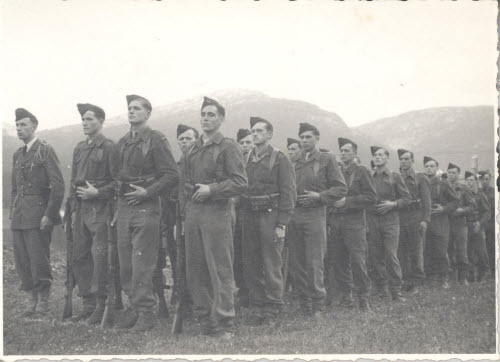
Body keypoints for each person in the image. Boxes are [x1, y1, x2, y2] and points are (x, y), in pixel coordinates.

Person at [182, 96, 247, 340]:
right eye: (203, 114)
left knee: (220, 269)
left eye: (211, 115)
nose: (206, 118)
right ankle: (205, 320)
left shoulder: (228, 146)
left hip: (217, 213)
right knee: (196, 269)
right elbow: (185, 183)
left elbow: (240, 182)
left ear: (221, 119)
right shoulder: (193, 148)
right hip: (194, 213)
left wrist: (212, 190)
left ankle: (224, 323)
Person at [115, 94, 179, 332]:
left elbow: (172, 175)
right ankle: (136, 306)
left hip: (146, 207)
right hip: (124, 208)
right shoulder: (122, 142)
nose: (131, 111)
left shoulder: (156, 139)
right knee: (125, 264)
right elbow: (116, 175)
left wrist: (148, 192)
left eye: (136, 108)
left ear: (147, 113)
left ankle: (146, 314)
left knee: (141, 263)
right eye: (129, 108)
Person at [240, 117, 296, 326]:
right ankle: (257, 305)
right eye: (253, 131)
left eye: (259, 131)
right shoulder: (245, 158)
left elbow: (289, 193)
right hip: (249, 216)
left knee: (272, 263)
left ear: (270, 134)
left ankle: (273, 306)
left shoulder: (280, 159)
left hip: (270, 216)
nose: (255, 134)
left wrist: (282, 224)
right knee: (251, 262)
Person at [287, 122, 347, 317]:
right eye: (302, 137)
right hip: (294, 216)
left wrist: (319, 197)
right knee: (297, 263)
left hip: (315, 216)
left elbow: (340, 189)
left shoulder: (326, 160)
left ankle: (318, 305)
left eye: (308, 137)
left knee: (314, 263)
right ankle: (304, 305)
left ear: (317, 138)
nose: (304, 141)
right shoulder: (294, 162)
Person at [11, 108, 65, 317]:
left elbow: (58, 185)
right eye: (17, 125)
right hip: (19, 215)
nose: (19, 128)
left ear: (34, 126)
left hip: (38, 214)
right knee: (22, 259)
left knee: (38, 258)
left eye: (23, 124)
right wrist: (13, 210)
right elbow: (15, 187)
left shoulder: (44, 150)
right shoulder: (18, 154)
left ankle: (43, 301)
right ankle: (30, 300)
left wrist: (49, 214)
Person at [68, 103, 117, 323]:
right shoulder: (79, 148)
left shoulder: (109, 147)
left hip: (100, 209)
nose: (85, 123)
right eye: (83, 120)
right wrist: (71, 207)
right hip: (80, 210)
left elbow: (118, 182)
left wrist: (97, 192)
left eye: (90, 119)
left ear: (101, 121)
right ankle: (87, 303)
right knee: (80, 255)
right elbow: (73, 180)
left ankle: (101, 304)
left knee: (100, 258)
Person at [327, 137, 375, 311]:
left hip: (354, 222)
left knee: (358, 260)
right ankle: (347, 296)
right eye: (341, 150)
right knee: (339, 261)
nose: (343, 153)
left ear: (355, 153)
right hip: (336, 222)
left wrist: (347, 201)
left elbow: (371, 197)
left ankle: (364, 297)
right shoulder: (336, 171)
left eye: (347, 150)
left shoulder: (362, 171)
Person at [366, 146, 411, 302]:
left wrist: (393, 204)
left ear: (386, 158)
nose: (377, 157)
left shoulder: (394, 177)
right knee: (376, 256)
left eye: (380, 155)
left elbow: (407, 198)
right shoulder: (369, 177)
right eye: (375, 155)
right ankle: (381, 290)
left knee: (391, 255)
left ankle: (396, 290)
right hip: (372, 221)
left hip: (391, 222)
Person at [397, 149, 431, 293]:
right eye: (402, 159)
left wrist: (425, 220)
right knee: (402, 251)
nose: (404, 161)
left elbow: (426, 200)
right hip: (400, 217)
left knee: (416, 251)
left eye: (406, 159)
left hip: (416, 217)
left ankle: (416, 282)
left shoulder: (420, 178)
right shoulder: (396, 177)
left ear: (412, 161)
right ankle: (405, 281)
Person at [423, 156, 459, 288]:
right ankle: (432, 277)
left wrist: (443, 209)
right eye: (427, 166)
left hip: (441, 222)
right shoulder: (421, 182)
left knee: (441, 250)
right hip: (426, 221)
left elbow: (456, 201)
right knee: (428, 249)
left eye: (432, 166)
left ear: (437, 168)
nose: (429, 168)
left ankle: (444, 278)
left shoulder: (444, 184)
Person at [233, 128, 254, 308]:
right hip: (236, 214)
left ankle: (254, 291)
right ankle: (243, 291)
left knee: (252, 253)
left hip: (254, 213)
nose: (245, 146)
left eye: (249, 142)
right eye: (242, 143)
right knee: (237, 254)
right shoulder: (234, 161)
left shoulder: (257, 161)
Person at [446, 163, 476, 285]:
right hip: (447, 223)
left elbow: (473, 206)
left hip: (460, 224)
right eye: (449, 172)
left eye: (454, 173)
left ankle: (463, 278)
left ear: (458, 175)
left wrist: (462, 210)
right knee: (448, 250)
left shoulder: (464, 189)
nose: (451, 175)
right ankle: (451, 278)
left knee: (461, 251)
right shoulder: (444, 187)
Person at [465, 171, 491, 282]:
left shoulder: (480, 195)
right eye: (467, 180)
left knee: (482, 252)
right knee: (468, 252)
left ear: (476, 182)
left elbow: (487, 212)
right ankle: (470, 275)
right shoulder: (462, 194)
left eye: (472, 180)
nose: (469, 182)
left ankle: (484, 274)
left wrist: (480, 223)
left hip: (478, 225)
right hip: (466, 226)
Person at [478, 170, 495, 275]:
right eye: (483, 179)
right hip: (481, 222)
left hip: (491, 223)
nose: (485, 181)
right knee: (481, 246)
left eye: (487, 179)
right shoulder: (478, 192)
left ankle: (493, 268)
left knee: (491, 245)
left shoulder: (493, 192)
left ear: (490, 180)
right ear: (480, 180)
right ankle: (483, 267)